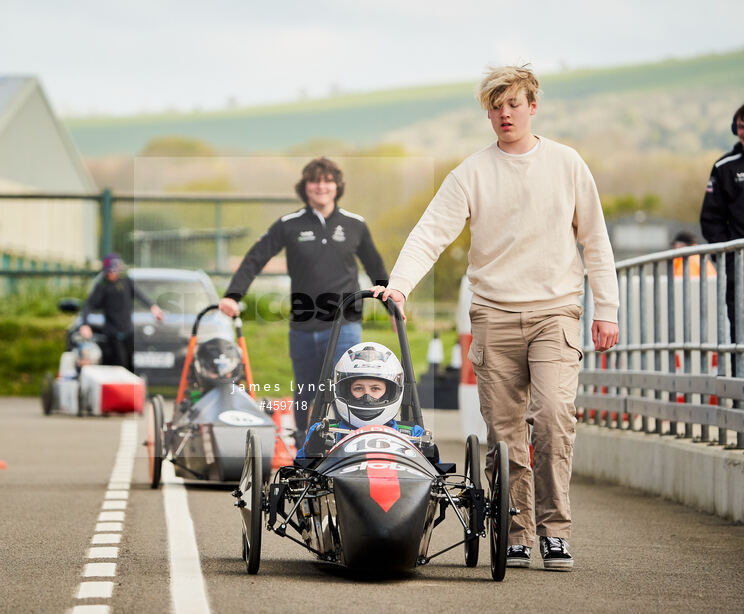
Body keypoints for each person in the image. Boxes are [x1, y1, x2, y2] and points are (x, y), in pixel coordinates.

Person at [372, 65, 619, 571]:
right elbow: (430, 233)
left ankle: (555, 531)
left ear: (533, 106)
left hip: (556, 311)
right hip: (493, 316)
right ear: (488, 112)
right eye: (496, 105)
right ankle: (517, 531)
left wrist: (607, 310)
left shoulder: (568, 165)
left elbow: (596, 239)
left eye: (514, 103)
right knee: (504, 434)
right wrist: (399, 285)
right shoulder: (472, 172)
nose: (505, 113)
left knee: (553, 417)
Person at [219, 158, 389, 443]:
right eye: (315, 181)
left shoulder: (355, 225)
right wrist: (233, 296)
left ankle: (346, 443)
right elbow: (254, 259)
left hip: (344, 324)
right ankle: (302, 443)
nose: (321, 186)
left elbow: (377, 271)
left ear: (337, 186)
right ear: (305, 187)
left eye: (327, 180)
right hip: (303, 325)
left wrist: (393, 310)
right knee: (306, 390)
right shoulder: (289, 224)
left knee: (344, 386)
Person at [297, 342, 423, 458]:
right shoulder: (324, 432)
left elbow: (436, 475)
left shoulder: (413, 434)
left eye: (375, 389)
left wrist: (430, 453)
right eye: (358, 389)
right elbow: (299, 471)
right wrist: (311, 451)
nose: (366, 397)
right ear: (346, 391)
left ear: (390, 392)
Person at [700, 102, 744, 371]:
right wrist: (728, 259)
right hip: (739, 270)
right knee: (740, 334)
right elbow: (710, 220)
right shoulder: (725, 167)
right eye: (741, 127)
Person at [79, 253, 164, 372]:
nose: (111, 274)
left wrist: (153, 307)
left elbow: (139, 295)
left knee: (130, 364)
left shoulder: (126, 282)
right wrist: (85, 324)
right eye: (109, 272)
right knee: (120, 363)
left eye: (113, 271)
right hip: (113, 332)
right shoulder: (102, 286)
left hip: (127, 330)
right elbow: (88, 305)